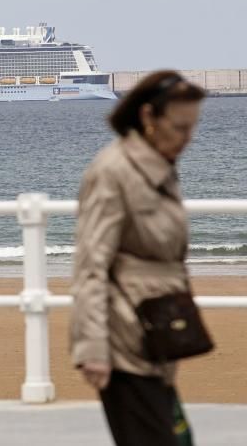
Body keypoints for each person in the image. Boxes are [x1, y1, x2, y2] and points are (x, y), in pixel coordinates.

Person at [70, 70, 207, 445]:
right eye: (179, 127)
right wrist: (93, 348)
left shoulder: (159, 169)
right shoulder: (113, 172)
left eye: (192, 127)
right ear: (148, 117)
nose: (187, 138)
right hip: (123, 339)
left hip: (157, 334)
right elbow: (91, 266)